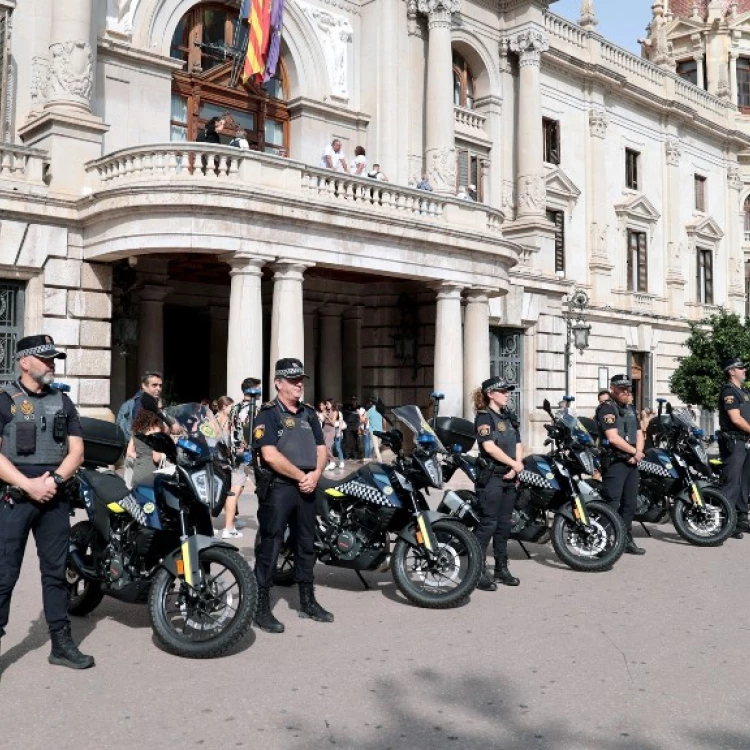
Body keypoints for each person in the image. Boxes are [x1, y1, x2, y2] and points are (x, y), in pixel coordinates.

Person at [0, 335, 94, 669]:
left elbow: (77, 452)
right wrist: (27, 485)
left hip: (53, 498)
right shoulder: (4, 400)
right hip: (14, 498)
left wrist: (53, 481)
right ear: (25, 362)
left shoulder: (63, 402)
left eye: (54, 358)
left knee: (56, 573)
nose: (52, 363)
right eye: (45, 358)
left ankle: (60, 643)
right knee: (4, 574)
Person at [252, 358, 333, 633]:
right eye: (293, 380)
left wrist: (315, 475)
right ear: (278, 383)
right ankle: (260, 606)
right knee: (271, 545)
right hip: (280, 487)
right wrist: (302, 477)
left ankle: (307, 601)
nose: (299, 384)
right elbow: (270, 455)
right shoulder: (268, 413)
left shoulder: (309, 414)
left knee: (306, 545)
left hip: (308, 485)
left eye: (301, 380)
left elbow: (322, 449)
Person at [473, 376, 523, 591]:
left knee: (504, 525)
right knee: (488, 525)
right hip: (492, 478)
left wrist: (517, 466)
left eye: (507, 391)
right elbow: (490, 447)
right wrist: (513, 464)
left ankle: (501, 568)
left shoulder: (509, 416)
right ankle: (478, 571)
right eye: (502, 391)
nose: (507, 394)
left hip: (510, 476)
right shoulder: (484, 418)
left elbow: (518, 442)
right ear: (490, 394)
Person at [596, 374, 646, 555]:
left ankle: (625, 539)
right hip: (616, 460)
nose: (626, 392)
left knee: (630, 504)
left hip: (632, 461)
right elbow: (613, 437)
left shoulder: (631, 408)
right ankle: (602, 541)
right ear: (613, 389)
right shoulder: (607, 409)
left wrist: (638, 453)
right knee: (612, 502)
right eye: (622, 388)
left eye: (628, 388)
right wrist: (634, 452)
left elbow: (640, 432)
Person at [717, 356, 750, 539]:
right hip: (735, 441)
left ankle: (741, 520)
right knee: (732, 482)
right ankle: (726, 522)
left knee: (745, 482)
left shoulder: (743, 390)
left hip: (746, 440)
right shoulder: (729, 391)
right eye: (740, 368)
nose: (744, 370)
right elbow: (735, 419)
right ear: (731, 371)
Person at [216, 395, 243, 538]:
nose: (233, 410)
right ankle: (229, 526)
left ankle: (232, 519)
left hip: (217, 459)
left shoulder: (213, 419)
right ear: (224, 407)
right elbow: (232, 441)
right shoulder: (228, 421)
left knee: (226, 490)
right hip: (227, 459)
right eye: (231, 407)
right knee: (233, 490)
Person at [116, 370, 165, 441]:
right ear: (144, 386)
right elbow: (140, 431)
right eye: (154, 385)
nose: (159, 389)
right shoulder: (140, 403)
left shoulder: (148, 401)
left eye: (160, 385)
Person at [127, 409, 167, 489]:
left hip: (137, 474)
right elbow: (156, 458)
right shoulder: (155, 434)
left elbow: (129, 452)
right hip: (150, 475)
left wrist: (141, 457)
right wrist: (163, 454)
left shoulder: (136, 433)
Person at [321, 399, 338, 471]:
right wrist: (323, 415)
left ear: (332, 404)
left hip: (331, 430)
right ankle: (329, 462)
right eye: (326, 404)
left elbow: (333, 423)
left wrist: (327, 417)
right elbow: (323, 421)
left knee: (328, 446)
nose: (327, 405)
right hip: (325, 429)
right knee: (324, 447)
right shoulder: (326, 411)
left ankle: (332, 461)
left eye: (328, 404)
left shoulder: (335, 412)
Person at [366, 397, 384, 463]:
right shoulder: (380, 410)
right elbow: (383, 420)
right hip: (380, 431)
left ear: (371, 403)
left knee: (376, 447)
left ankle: (380, 461)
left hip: (373, 431)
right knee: (377, 446)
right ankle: (373, 459)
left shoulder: (369, 411)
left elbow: (365, 421)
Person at [344, 396, 361, 460]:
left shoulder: (359, 407)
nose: (353, 401)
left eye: (354, 400)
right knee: (348, 441)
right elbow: (340, 406)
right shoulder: (348, 406)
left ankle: (355, 455)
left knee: (355, 441)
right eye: (352, 400)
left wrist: (359, 427)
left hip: (355, 425)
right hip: (349, 425)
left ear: (356, 400)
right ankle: (348, 455)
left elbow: (360, 417)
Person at [332, 402, 346, 468]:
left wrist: (339, 432)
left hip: (337, 430)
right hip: (332, 429)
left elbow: (340, 423)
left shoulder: (339, 413)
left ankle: (342, 461)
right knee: (331, 447)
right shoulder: (333, 412)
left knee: (338, 447)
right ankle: (332, 462)